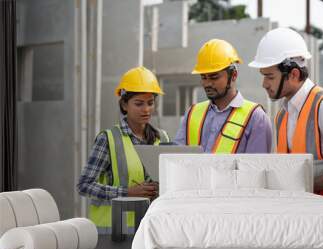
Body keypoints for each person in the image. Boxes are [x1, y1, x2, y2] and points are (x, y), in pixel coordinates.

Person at [248, 27, 323, 206]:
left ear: (294, 74)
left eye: (270, 77)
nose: (264, 84)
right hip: (303, 213)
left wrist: (303, 184)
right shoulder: (282, 115)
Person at [77, 66, 169, 234]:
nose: (146, 109)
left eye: (150, 103)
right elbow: (84, 186)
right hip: (112, 233)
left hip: (149, 231)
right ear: (124, 104)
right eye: (139, 104)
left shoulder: (162, 139)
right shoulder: (108, 139)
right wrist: (127, 192)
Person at [174, 39, 273, 153]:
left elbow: (255, 168)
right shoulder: (192, 113)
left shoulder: (256, 118)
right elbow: (177, 157)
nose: (207, 84)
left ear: (234, 75)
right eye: (203, 77)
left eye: (214, 77)